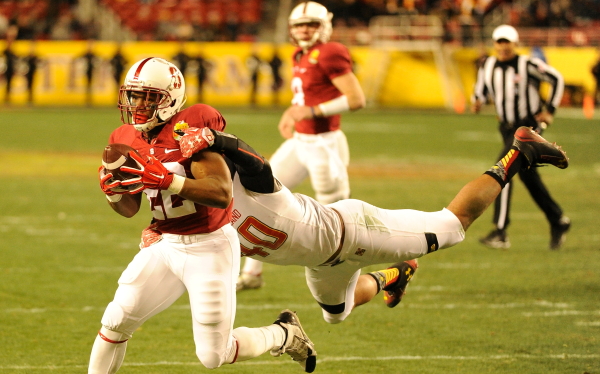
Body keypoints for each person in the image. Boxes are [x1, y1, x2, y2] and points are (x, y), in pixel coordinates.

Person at [51, 58, 316, 374]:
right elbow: (129, 208)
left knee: (214, 354)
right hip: (165, 243)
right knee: (116, 319)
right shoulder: (124, 138)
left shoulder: (190, 126)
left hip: (210, 245)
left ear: (171, 98)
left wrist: (168, 181)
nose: (138, 106)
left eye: (148, 98)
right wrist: (112, 193)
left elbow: (221, 193)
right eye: (134, 97)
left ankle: (283, 334)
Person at [145, 123, 569, 324]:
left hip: (351, 231)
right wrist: (159, 232)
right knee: (335, 313)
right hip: (322, 260)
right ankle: (395, 275)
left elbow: (257, 163)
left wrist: (220, 141)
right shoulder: (198, 213)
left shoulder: (247, 183)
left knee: (454, 225)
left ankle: (520, 152)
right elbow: (180, 234)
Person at [237, 1, 366, 291]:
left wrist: (311, 112)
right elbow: (305, 100)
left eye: (311, 24)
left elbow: (356, 99)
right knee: (258, 193)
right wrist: (293, 113)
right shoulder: (300, 54)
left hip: (324, 144)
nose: (304, 30)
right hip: (300, 142)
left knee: (337, 215)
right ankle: (252, 274)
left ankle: (348, 278)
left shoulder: (331, 51)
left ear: (325, 26)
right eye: (299, 25)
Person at [472, 24, 570, 250]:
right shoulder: (487, 65)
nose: (503, 46)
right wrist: (476, 100)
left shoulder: (527, 64)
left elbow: (557, 78)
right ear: (495, 44)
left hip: (528, 128)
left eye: (507, 42)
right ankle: (558, 220)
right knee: (527, 176)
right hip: (506, 128)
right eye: (500, 42)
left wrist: (550, 110)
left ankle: (500, 230)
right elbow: (480, 88)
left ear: (515, 44)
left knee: (502, 169)